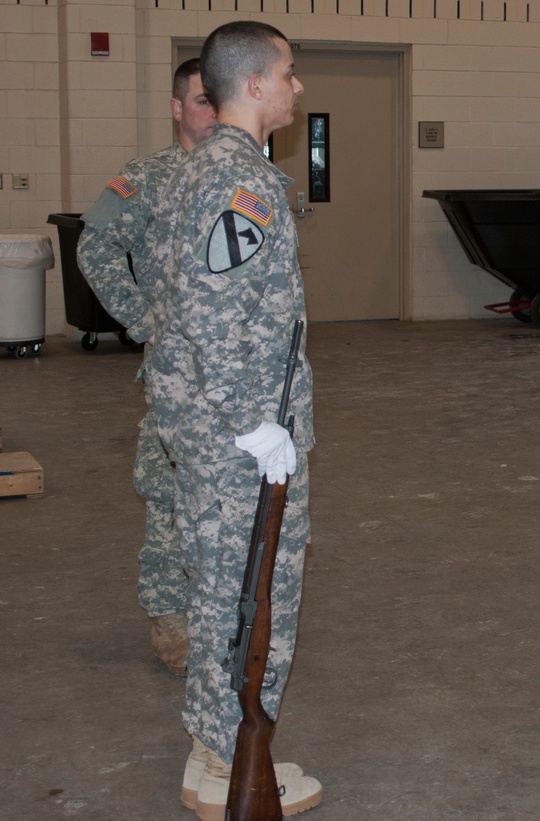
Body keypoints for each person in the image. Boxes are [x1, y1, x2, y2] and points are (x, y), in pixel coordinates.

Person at [147, 21, 322, 820]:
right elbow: (212, 311)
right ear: (253, 84)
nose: (296, 86)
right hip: (235, 436)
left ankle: (215, 748)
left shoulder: (203, 169)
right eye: (287, 72)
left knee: (226, 586)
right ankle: (224, 758)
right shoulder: (236, 182)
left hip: (207, 421)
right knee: (248, 592)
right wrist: (257, 424)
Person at [77, 58, 217, 676]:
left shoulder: (242, 177)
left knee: (233, 497)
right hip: (175, 374)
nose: (211, 111)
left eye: (218, 100)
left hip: (239, 373)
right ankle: (172, 624)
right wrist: (141, 319)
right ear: (176, 107)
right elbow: (95, 245)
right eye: (200, 100)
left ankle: (223, 616)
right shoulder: (148, 177)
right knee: (167, 497)